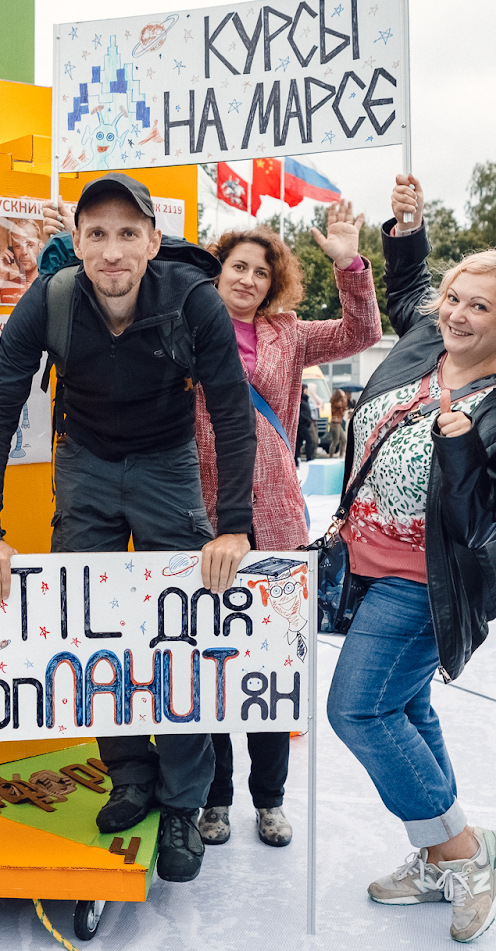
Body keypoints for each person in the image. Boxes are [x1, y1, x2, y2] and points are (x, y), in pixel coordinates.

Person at [0, 172, 256, 884]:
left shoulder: (194, 299)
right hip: (86, 463)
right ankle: (129, 774)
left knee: (184, 635)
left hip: (167, 465)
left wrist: (233, 525)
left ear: (153, 241)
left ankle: (182, 802)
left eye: (128, 233)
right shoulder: (50, 298)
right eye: (97, 234)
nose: (113, 250)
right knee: (90, 627)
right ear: (77, 241)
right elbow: (0, 406)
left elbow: (230, 410)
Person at [325, 174, 496, 944]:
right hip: (366, 558)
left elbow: (488, 520)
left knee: (358, 710)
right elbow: (411, 287)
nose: (457, 314)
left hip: (427, 577)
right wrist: (406, 229)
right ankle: (436, 855)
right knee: (406, 707)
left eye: (479, 307)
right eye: (455, 298)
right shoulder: (425, 340)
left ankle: (466, 852)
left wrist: (463, 450)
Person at [192, 204, 383, 850]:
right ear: (217, 271)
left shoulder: (289, 333)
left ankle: (269, 800)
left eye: (261, 273)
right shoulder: (185, 325)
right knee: (208, 665)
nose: (248, 280)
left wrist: (349, 263)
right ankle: (215, 798)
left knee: (270, 666)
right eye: (238, 267)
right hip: (199, 513)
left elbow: (362, 331)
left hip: (274, 514)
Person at [296, 386, 318, 460]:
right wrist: (306, 419)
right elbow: (300, 413)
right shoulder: (300, 401)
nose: (306, 391)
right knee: (309, 440)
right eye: (305, 390)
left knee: (299, 442)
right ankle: (308, 458)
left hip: (306, 423)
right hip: (303, 424)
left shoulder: (306, 399)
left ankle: (297, 458)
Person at [328, 388, 349, 457]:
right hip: (335, 423)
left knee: (343, 440)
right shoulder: (336, 402)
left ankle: (341, 455)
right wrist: (344, 396)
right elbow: (343, 405)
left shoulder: (337, 401)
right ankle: (331, 457)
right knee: (335, 441)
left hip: (338, 423)